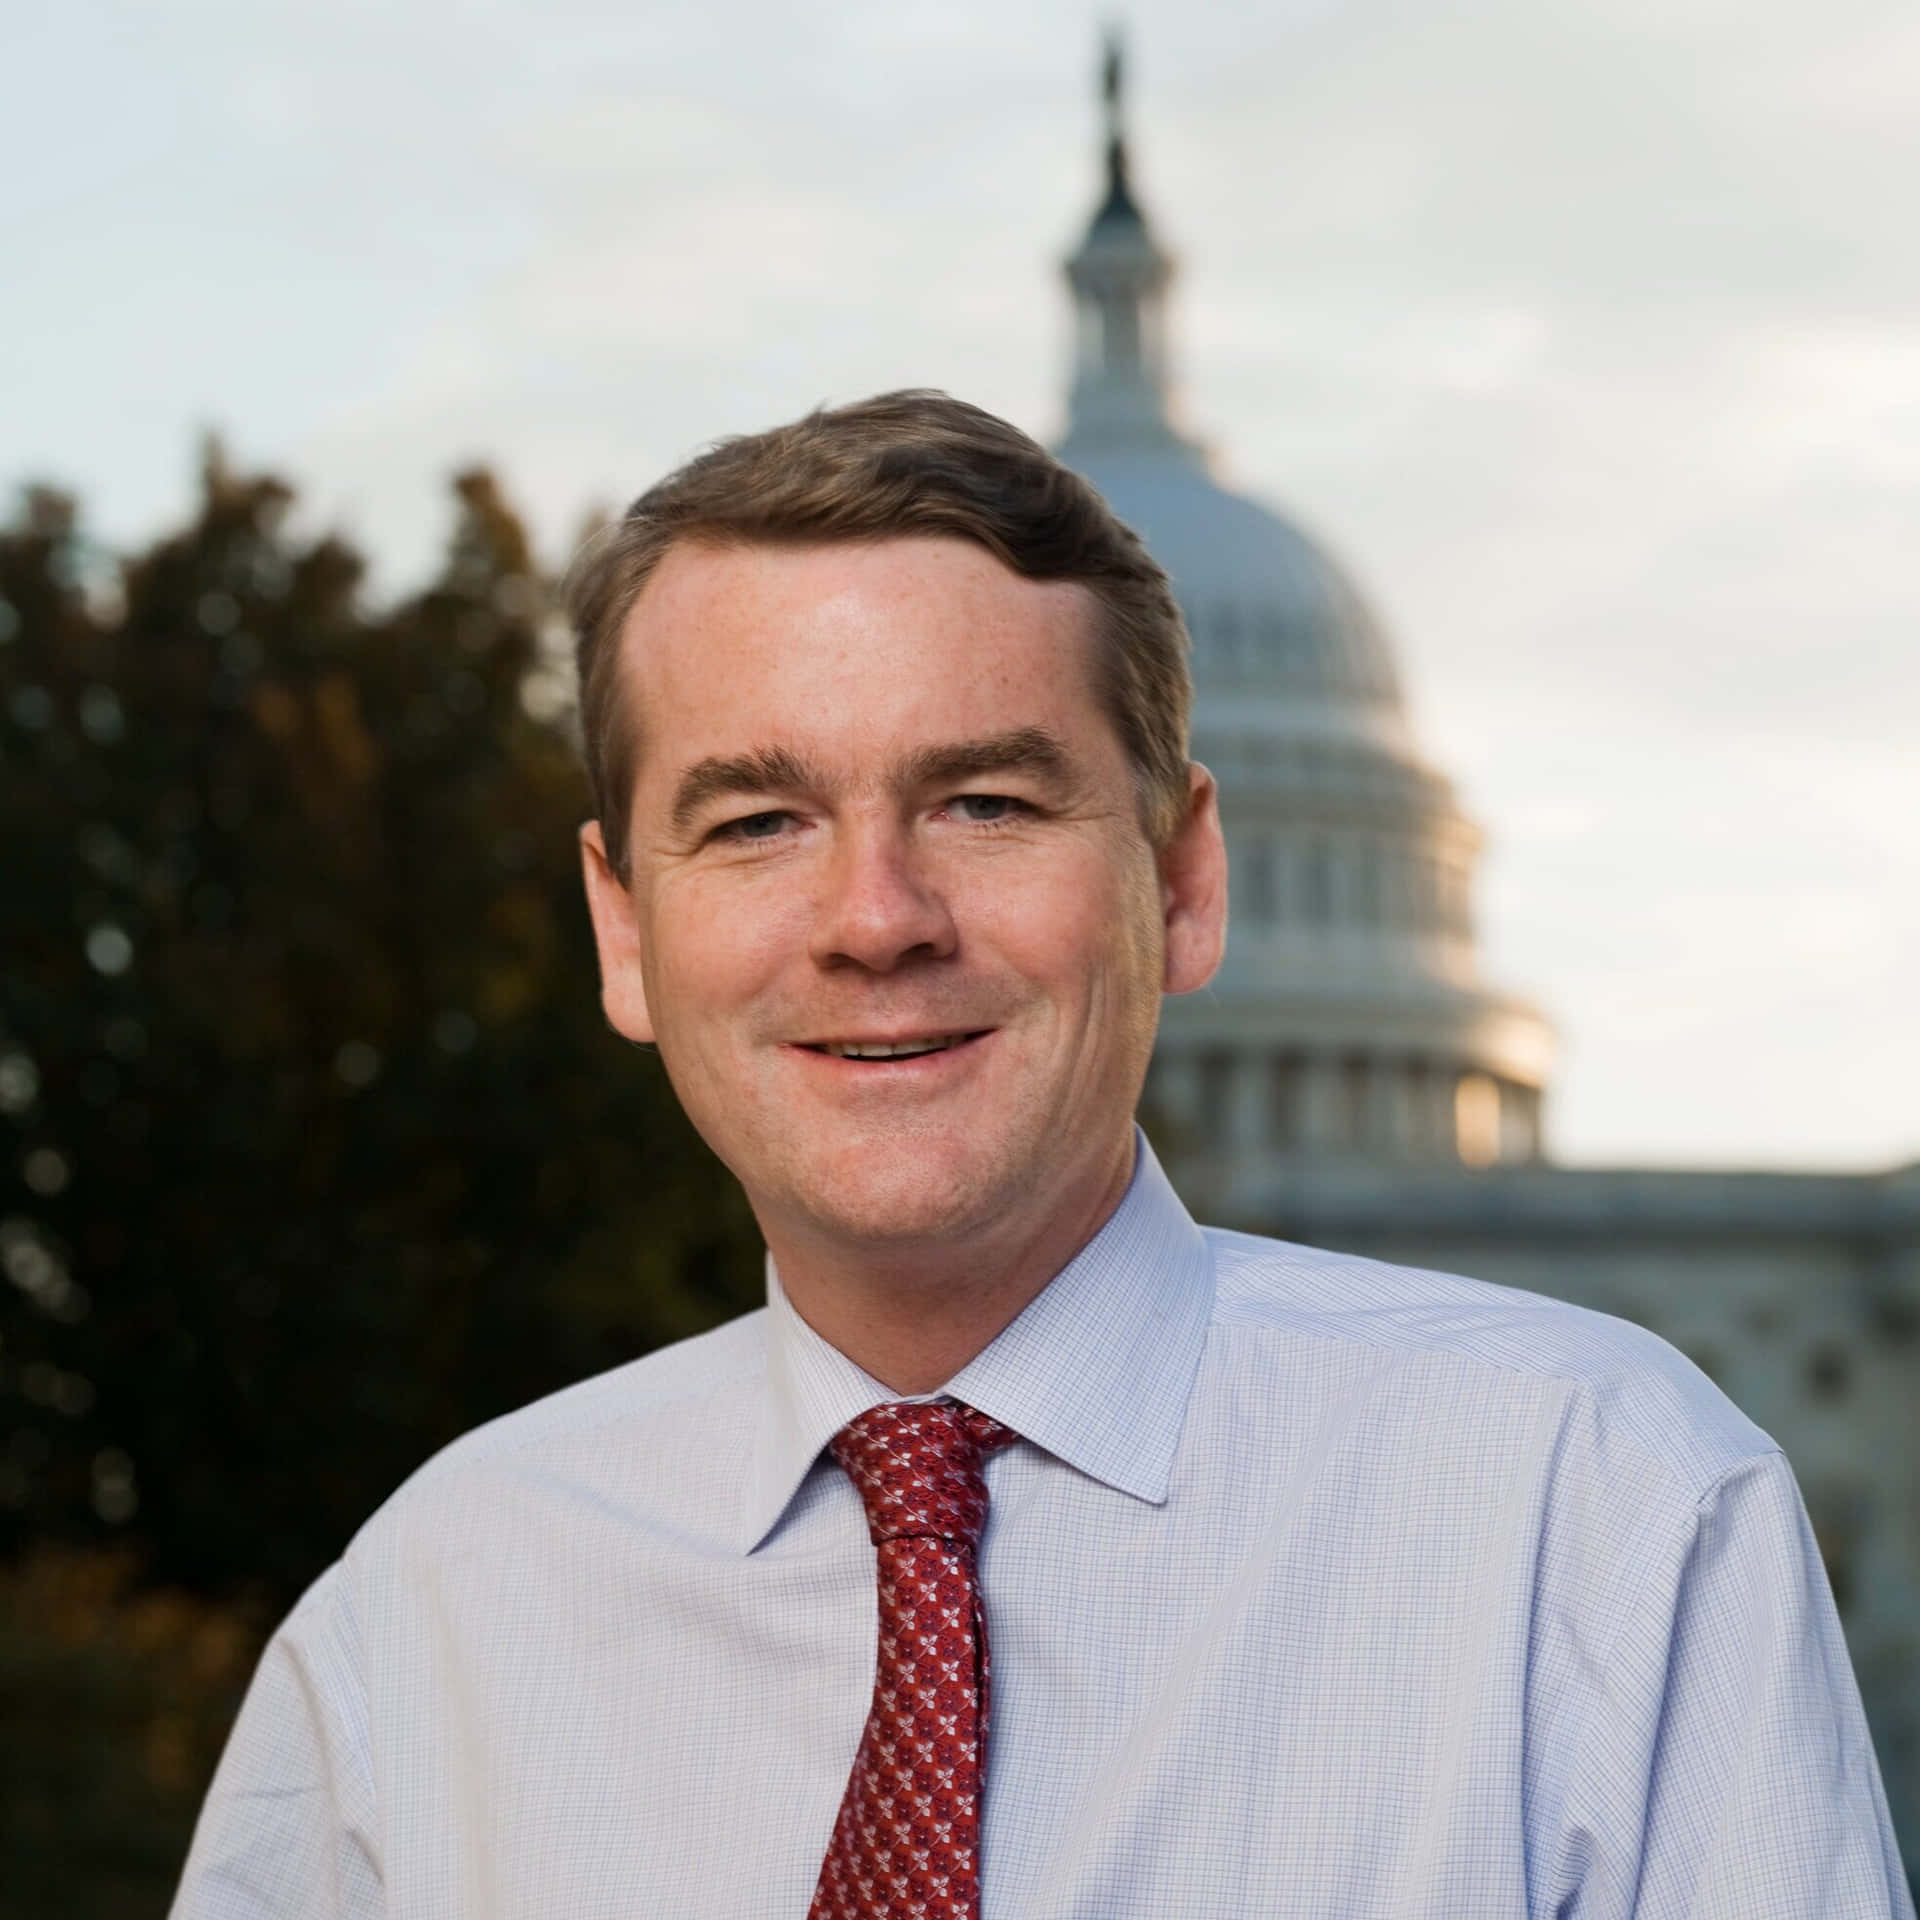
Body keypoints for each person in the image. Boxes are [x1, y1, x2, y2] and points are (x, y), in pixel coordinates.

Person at [172, 391, 1913, 1918]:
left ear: (1181, 880)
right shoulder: (428, 1627)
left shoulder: (1601, 1523)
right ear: (624, 933)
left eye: (987, 804)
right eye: (758, 822)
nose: (875, 920)